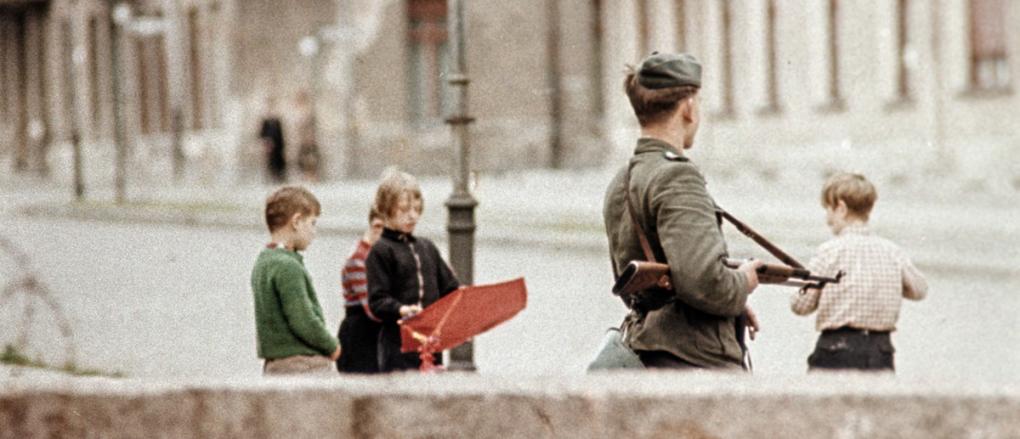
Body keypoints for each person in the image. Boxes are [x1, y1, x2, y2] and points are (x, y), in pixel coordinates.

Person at [603, 52, 763, 370]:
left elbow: (635, 281)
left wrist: (730, 305)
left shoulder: (623, 178)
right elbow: (706, 283)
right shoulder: (677, 176)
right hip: (697, 361)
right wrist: (742, 283)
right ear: (688, 106)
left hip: (648, 349)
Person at [791, 172, 928, 372]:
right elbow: (919, 290)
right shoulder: (892, 251)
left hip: (835, 350)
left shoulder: (830, 251)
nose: (827, 218)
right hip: (881, 353)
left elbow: (800, 306)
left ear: (841, 208)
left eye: (828, 210)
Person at [366, 171, 460, 372]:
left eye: (417, 209)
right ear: (386, 209)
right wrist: (401, 309)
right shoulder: (381, 250)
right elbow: (377, 301)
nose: (413, 216)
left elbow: (450, 289)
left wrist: (462, 309)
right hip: (398, 346)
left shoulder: (427, 247)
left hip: (431, 343)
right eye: (404, 210)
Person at [251, 186, 340, 375]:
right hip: (302, 364)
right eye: (313, 223)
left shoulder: (264, 260)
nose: (314, 232)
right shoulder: (288, 266)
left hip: (275, 365)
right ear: (297, 221)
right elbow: (303, 319)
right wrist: (332, 346)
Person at [336, 208, 386, 373]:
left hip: (375, 334)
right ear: (377, 226)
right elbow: (373, 307)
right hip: (360, 336)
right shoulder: (359, 259)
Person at [294, 90, 321, 182]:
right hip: (302, 139)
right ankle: (306, 176)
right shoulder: (298, 112)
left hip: (309, 138)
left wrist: (310, 136)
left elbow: (311, 126)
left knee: (311, 157)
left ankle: (312, 176)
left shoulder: (309, 111)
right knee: (303, 158)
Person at [259, 96, 287, 183]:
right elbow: (261, 134)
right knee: (270, 165)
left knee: (279, 165)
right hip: (268, 147)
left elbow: (281, 135)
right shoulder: (265, 121)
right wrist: (266, 143)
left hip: (278, 147)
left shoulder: (277, 121)